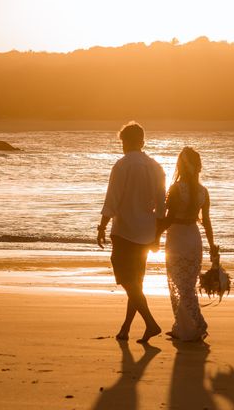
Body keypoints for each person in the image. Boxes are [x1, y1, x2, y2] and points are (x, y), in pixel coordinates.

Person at [97, 122, 166, 343]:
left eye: (123, 142)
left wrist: (102, 226)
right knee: (136, 283)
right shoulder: (156, 167)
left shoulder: (122, 165)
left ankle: (151, 323)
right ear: (142, 142)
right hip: (146, 231)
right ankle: (126, 328)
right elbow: (162, 205)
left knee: (128, 282)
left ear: (126, 142)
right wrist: (157, 235)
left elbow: (112, 199)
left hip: (124, 231)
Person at [159, 146, 220, 341]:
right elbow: (207, 221)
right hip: (194, 238)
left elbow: (169, 218)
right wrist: (212, 246)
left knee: (179, 284)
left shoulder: (176, 189)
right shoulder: (203, 192)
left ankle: (194, 325)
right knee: (188, 285)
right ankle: (186, 326)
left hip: (177, 238)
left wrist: (153, 236)